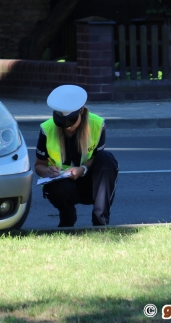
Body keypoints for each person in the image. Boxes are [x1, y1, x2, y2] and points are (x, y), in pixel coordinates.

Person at [33, 85, 118, 227]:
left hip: (90, 185)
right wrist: (48, 171)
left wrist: (82, 169)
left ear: (81, 111)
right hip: (62, 185)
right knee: (57, 189)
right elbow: (38, 165)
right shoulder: (47, 129)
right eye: (61, 122)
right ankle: (67, 220)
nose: (66, 127)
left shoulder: (97, 124)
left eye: (70, 121)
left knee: (107, 158)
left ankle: (100, 222)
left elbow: (97, 158)